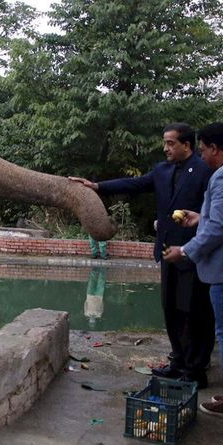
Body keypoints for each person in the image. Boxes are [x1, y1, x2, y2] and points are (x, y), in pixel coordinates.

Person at [69, 122, 215, 388]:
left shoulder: (206, 170)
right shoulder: (162, 170)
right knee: (171, 309)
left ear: (187, 145)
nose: (165, 148)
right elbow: (134, 184)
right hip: (167, 251)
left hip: (193, 254)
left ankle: (196, 370)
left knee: (193, 312)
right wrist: (97, 186)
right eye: (165, 142)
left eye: (171, 143)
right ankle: (178, 362)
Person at [163, 122, 223, 414]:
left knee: (219, 331)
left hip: (218, 270)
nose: (203, 155)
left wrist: (186, 250)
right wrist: (201, 217)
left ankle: (200, 372)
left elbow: (218, 228)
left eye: (204, 149)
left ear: (214, 149)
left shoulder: (219, 176)